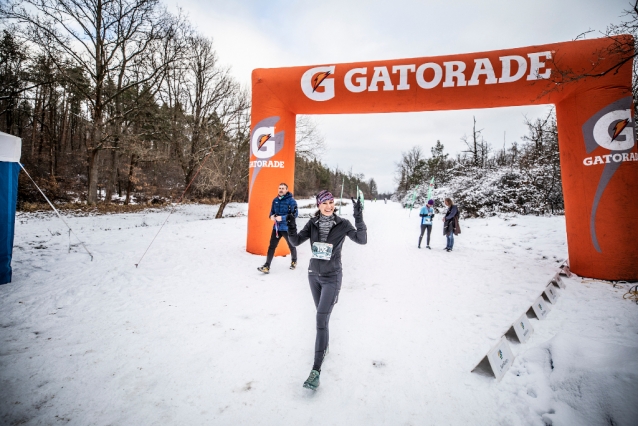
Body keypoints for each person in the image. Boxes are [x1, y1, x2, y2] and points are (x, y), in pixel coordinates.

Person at [286, 190, 367, 390]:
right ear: (318, 205)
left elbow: (362, 239)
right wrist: (290, 223)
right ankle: (324, 346)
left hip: (332, 277)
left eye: (332, 202)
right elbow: (295, 241)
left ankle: (315, 371)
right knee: (323, 318)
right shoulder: (312, 224)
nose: (329, 206)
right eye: (325, 203)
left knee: (321, 320)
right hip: (313, 275)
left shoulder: (343, 224)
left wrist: (358, 216)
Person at [257, 183, 298, 273]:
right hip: (276, 228)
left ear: (287, 190)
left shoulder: (292, 201)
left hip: (287, 228)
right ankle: (267, 266)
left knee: (291, 245)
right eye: (279, 188)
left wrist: (282, 218)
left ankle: (294, 261)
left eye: (283, 188)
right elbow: (271, 212)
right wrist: (271, 216)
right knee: (272, 246)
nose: (281, 190)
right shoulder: (275, 200)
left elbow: (295, 215)